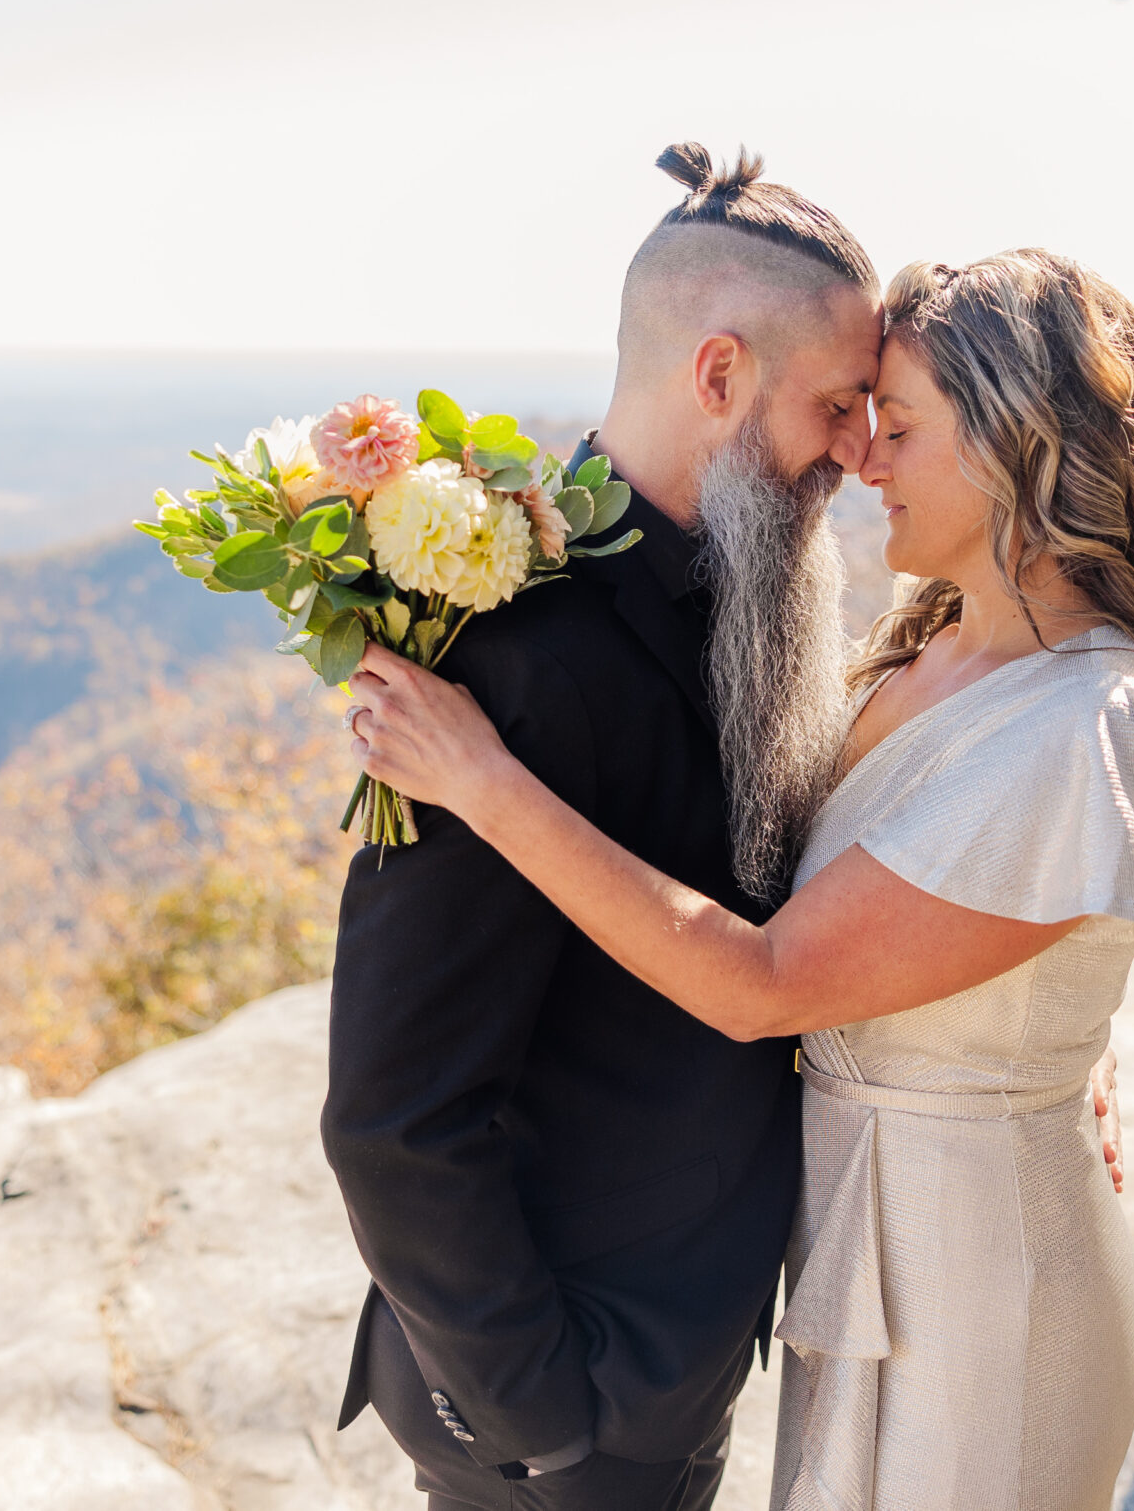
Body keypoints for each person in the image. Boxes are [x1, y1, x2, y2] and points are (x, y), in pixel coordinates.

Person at [346, 248, 1134, 1511]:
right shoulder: (925, 650)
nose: (863, 459)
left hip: (976, 1284)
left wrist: (485, 783)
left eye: (896, 425)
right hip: (857, 1267)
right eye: (855, 417)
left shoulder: (1093, 714)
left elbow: (773, 978)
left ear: (1018, 445)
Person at [319, 142, 886, 1510]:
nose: (858, 453)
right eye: (836, 404)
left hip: (666, 1365)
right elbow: (392, 1112)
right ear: (717, 376)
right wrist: (547, 1415)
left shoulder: (748, 602)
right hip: (562, 1408)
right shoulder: (517, 661)